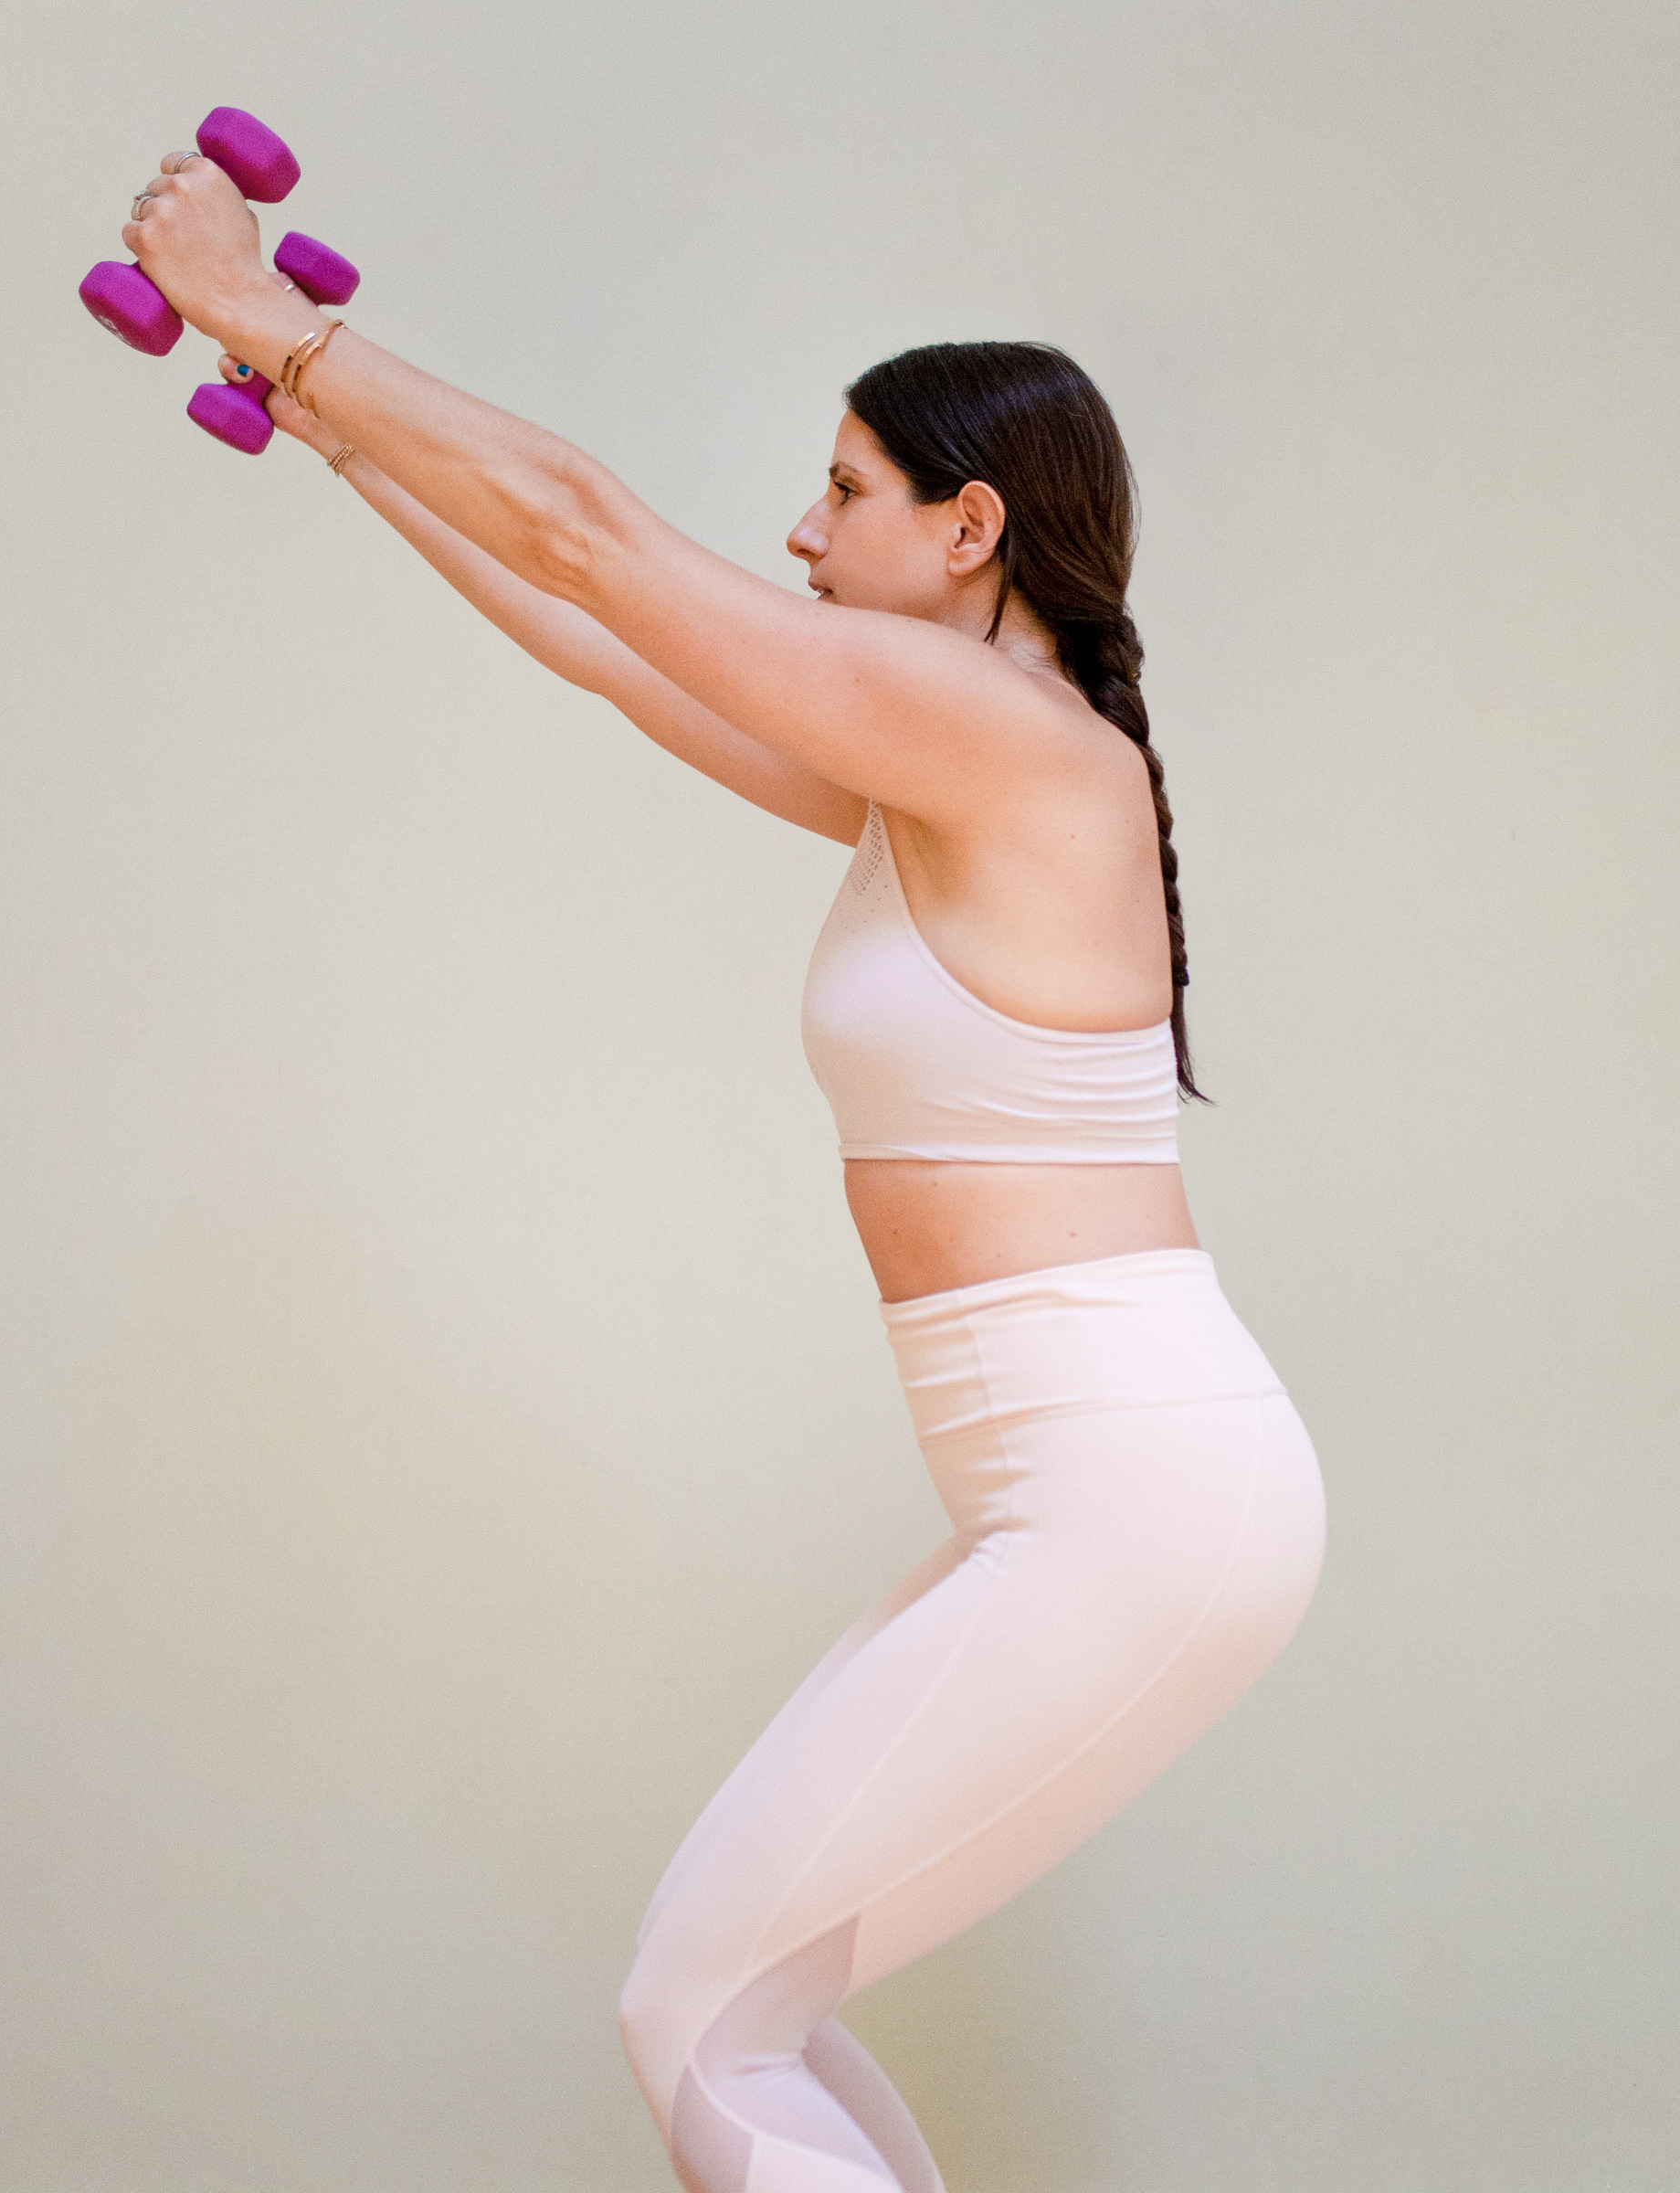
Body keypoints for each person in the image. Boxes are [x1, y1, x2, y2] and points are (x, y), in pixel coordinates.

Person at [119, 142, 1327, 2193]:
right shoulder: (932, 779)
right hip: (1093, 1491)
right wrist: (332, 428)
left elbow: (598, 535)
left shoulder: (1015, 752)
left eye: (845, 492)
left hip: (1135, 1493)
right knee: (732, 2007)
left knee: (694, 2012)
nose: (799, 524)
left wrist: (271, 319)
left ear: (972, 527)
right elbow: (603, 633)